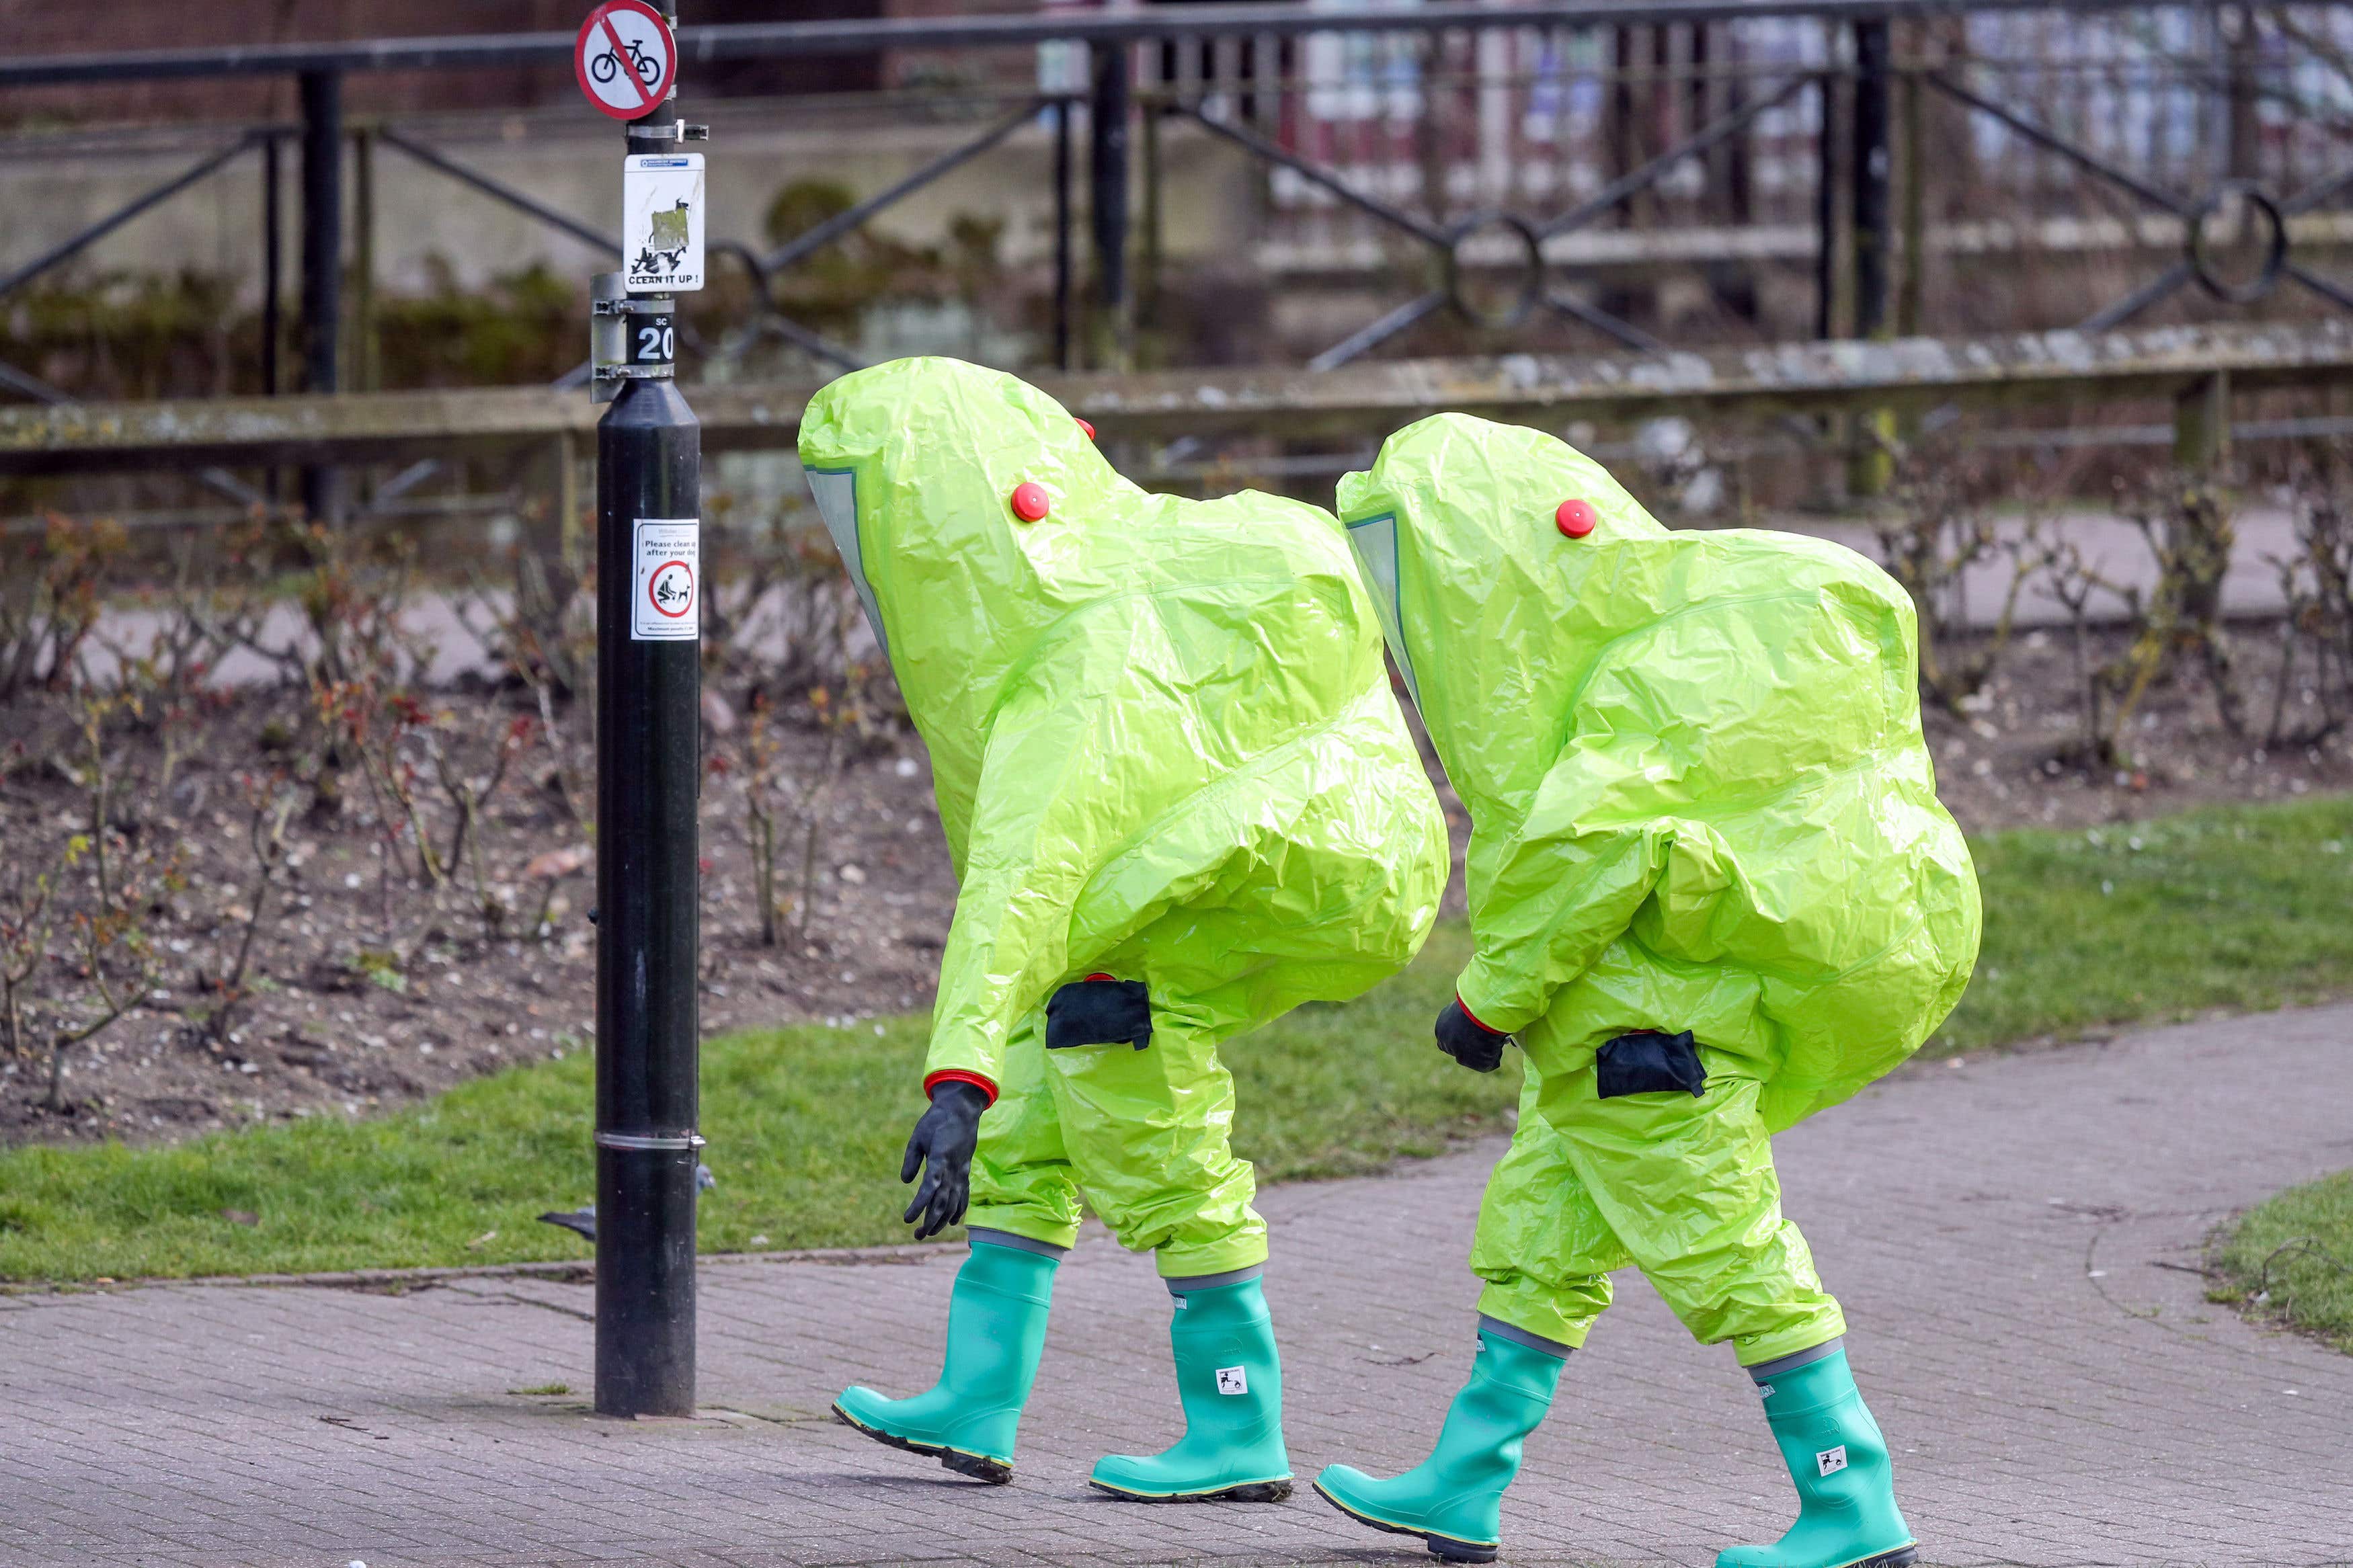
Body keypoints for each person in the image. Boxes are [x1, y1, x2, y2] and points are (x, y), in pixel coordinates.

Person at [1313, 414, 1980, 1567]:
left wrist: (1486, 999)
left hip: (1648, 1033)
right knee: (1540, 1240)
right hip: (1618, 1024)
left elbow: (1584, 853)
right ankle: (1461, 1484)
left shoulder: (1637, 687)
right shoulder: (1639, 660)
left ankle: (1851, 1499)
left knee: (1728, 1249)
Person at [797, 358, 1448, 1503]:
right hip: (1268, 858)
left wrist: (951, 1079)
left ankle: (1238, 1431)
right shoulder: (1103, 590)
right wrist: (982, 1086)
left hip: (1237, 883)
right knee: (1033, 1102)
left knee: (1135, 1085)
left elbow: (1023, 875)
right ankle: (978, 1397)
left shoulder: (1083, 658)